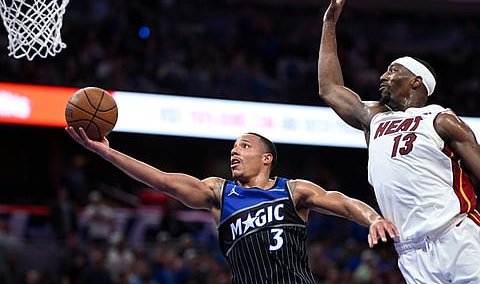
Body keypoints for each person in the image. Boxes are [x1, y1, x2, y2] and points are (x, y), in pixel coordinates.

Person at [65, 127, 398, 283]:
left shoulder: (293, 191)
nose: (234, 152)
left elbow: (342, 201)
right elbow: (163, 180)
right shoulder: (219, 193)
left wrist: (373, 219)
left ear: (266, 159)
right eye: (233, 148)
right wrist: (105, 152)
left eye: (244, 146)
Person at [318, 0, 480, 283]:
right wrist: (329, 24)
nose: (383, 75)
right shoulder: (374, 118)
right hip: (410, 250)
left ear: (416, 81)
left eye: (393, 70)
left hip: (457, 236)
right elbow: (329, 89)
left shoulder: (441, 119)